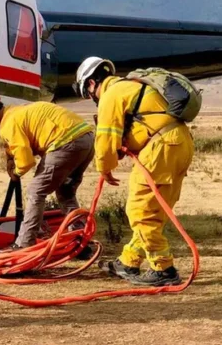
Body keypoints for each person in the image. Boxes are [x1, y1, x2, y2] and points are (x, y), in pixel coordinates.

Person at [74, 56, 194, 287]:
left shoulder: (112, 94)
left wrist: (105, 169)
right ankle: (128, 261)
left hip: (160, 147)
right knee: (153, 213)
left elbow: (106, 138)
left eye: (88, 94)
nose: (93, 99)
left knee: (139, 212)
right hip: (179, 144)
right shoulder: (131, 87)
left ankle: (164, 270)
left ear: (91, 83)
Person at [0, 99, 95, 253]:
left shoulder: (7, 124)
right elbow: (27, 139)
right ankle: (80, 240)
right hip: (86, 139)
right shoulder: (17, 112)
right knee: (66, 193)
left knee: (36, 191)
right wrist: (10, 156)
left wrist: (16, 173)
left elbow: (25, 161)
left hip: (65, 142)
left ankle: (24, 243)